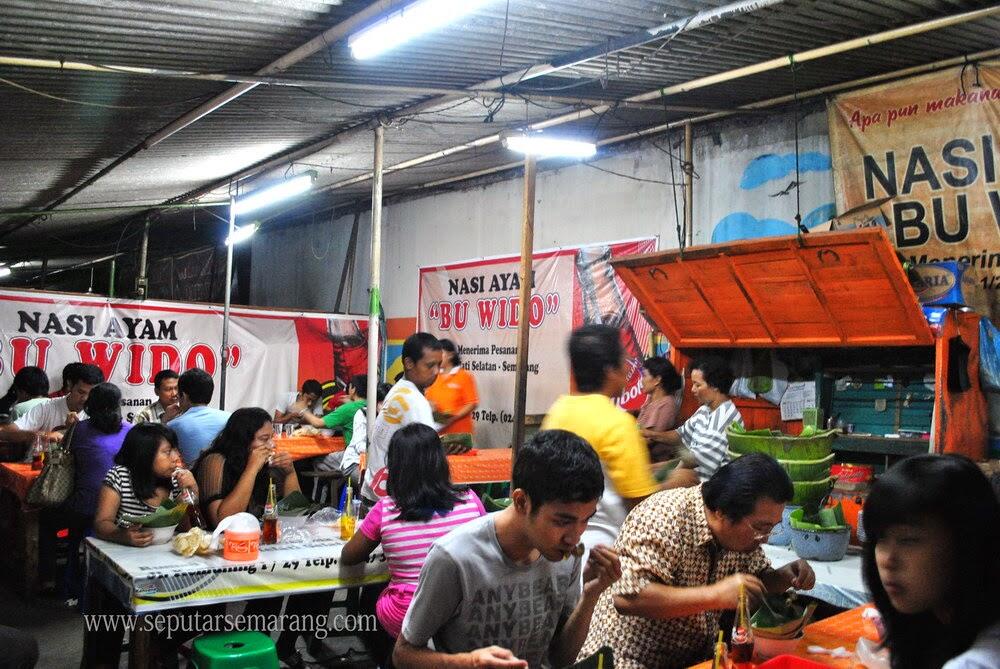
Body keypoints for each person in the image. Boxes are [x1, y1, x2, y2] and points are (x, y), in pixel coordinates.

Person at [393, 429, 622, 669]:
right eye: (562, 521)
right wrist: (468, 662)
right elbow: (403, 654)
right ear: (522, 501)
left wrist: (590, 597)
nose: (575, 537)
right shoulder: (454, 557)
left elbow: (560, 658)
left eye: (586, 519)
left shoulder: (568, 556)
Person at [578, 452, 816, 669]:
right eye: (760, 527)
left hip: (692, 660)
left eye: (771, 529)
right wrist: (715, 595)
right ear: (722, 511)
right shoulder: (664, 516)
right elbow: (628, 597)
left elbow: (754, 582)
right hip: (626, 661)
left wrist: (784, 577)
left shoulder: (744, 538)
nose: (763, 539)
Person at [342, 424, 486, 659]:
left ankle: (386, 657)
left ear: (395, 467)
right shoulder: (470, 500)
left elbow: (349, 557)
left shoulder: (386, 509)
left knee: (374, 594)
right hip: (462, 610)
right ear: (440, 462)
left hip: (406, 613)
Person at [193, 408, 322, 665]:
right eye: (263, 439)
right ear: (244, 439)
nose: (270, 444)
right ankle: (241, 646)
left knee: (313, 576)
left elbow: (296, 511)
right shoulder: (216, 461)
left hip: (257, 550)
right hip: (216, 555)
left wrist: (290, 473)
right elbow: (223, 519)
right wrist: (252, 469)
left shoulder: (267, 465)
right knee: (270, 587)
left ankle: (283, 644)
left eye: (271, 437)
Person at [862, 454, 1000, 669]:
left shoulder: (977, 662)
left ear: (967, 543)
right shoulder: (936, 627)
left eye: (908, 540)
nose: (888, 560)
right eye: (881, 538)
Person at [87, 423, 200, 668]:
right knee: (110, 617)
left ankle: (159, 650)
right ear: (144, 454)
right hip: (123, 562)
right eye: (167, 452)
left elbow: (188, 529)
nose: (175, 458)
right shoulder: (120, 476)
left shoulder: (176, 480)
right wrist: (122, 536)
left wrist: (191, 491)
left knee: (197, 609)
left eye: (175, 451)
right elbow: (101, 522)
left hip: (165, 564)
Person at [542, 324, 660, 549]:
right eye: (623, 363)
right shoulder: (617, 423)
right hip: (606, 552)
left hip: (559, 546)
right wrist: (676, 484)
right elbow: (642, 505)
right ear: (609, 370)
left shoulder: (558, 411)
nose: (628, 371)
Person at [47, 383, 132, 596]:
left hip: (84, 509)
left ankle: (60, 583)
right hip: (123, 511)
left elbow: (64, 460)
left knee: (48, 519)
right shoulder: (131, 432)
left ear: (90, 407)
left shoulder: (79, 430)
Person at [363, 333, 441, 507]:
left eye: (439, 365)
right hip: (391, 498)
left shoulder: (400, 389)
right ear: (408, 363)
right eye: (430, 365)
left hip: (376, 490)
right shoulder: (414, 400)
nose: (436, 372)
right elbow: (428, 455)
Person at [644, 355, 743, 485]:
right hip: (690, 468)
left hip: (709, 484)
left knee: (652, 484)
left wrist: (664, 475)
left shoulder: (725, 418)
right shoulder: (705, 410)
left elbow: (693, 460)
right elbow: (680, 435)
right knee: (643, 471)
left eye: (697, 385)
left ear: (715, 386)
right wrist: (650, 434)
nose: (692, 390)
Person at [0, 363, 104, 444]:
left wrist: (74, 431)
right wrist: (43, 435)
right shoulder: (47, 407)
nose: (85, 398)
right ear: (70, 386)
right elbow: (5, 432)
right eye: (81, 392)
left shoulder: (98, 414)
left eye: (91, 394)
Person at [316, 382, 389, 495]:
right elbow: (360, 445)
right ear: (374, 402)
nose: (385, 406)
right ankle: (364, 509)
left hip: (378, 464)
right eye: (381, 402)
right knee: (371, 484)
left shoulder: (391, 417)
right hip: (355, 462)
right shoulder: (362, 414)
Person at [168, 368, 229, 466]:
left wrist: (165, 421)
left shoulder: (174, 425)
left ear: (184, 395)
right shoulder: (230, 418)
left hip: (192, 479)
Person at [424, 338, 479, 436]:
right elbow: (429, 400)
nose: (437, 359)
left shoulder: (464, 376)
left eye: (441, 354)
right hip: (437, 433)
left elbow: (472, 403)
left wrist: (452, 417)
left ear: (451, 355)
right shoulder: (433, 376)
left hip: (460, 433)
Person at [636, 357, 683, 461]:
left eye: (644, 376)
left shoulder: (667, 405)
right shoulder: (651, 401)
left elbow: (647, 440)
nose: (641, 380)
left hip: (657, 466)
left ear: (657, 380)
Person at [298, 374, 366, 443]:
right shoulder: (372, 405)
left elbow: (317, 423)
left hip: (353, 451)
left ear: (353, 390)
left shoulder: (348, 408)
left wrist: (303, 409)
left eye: (350, 386)